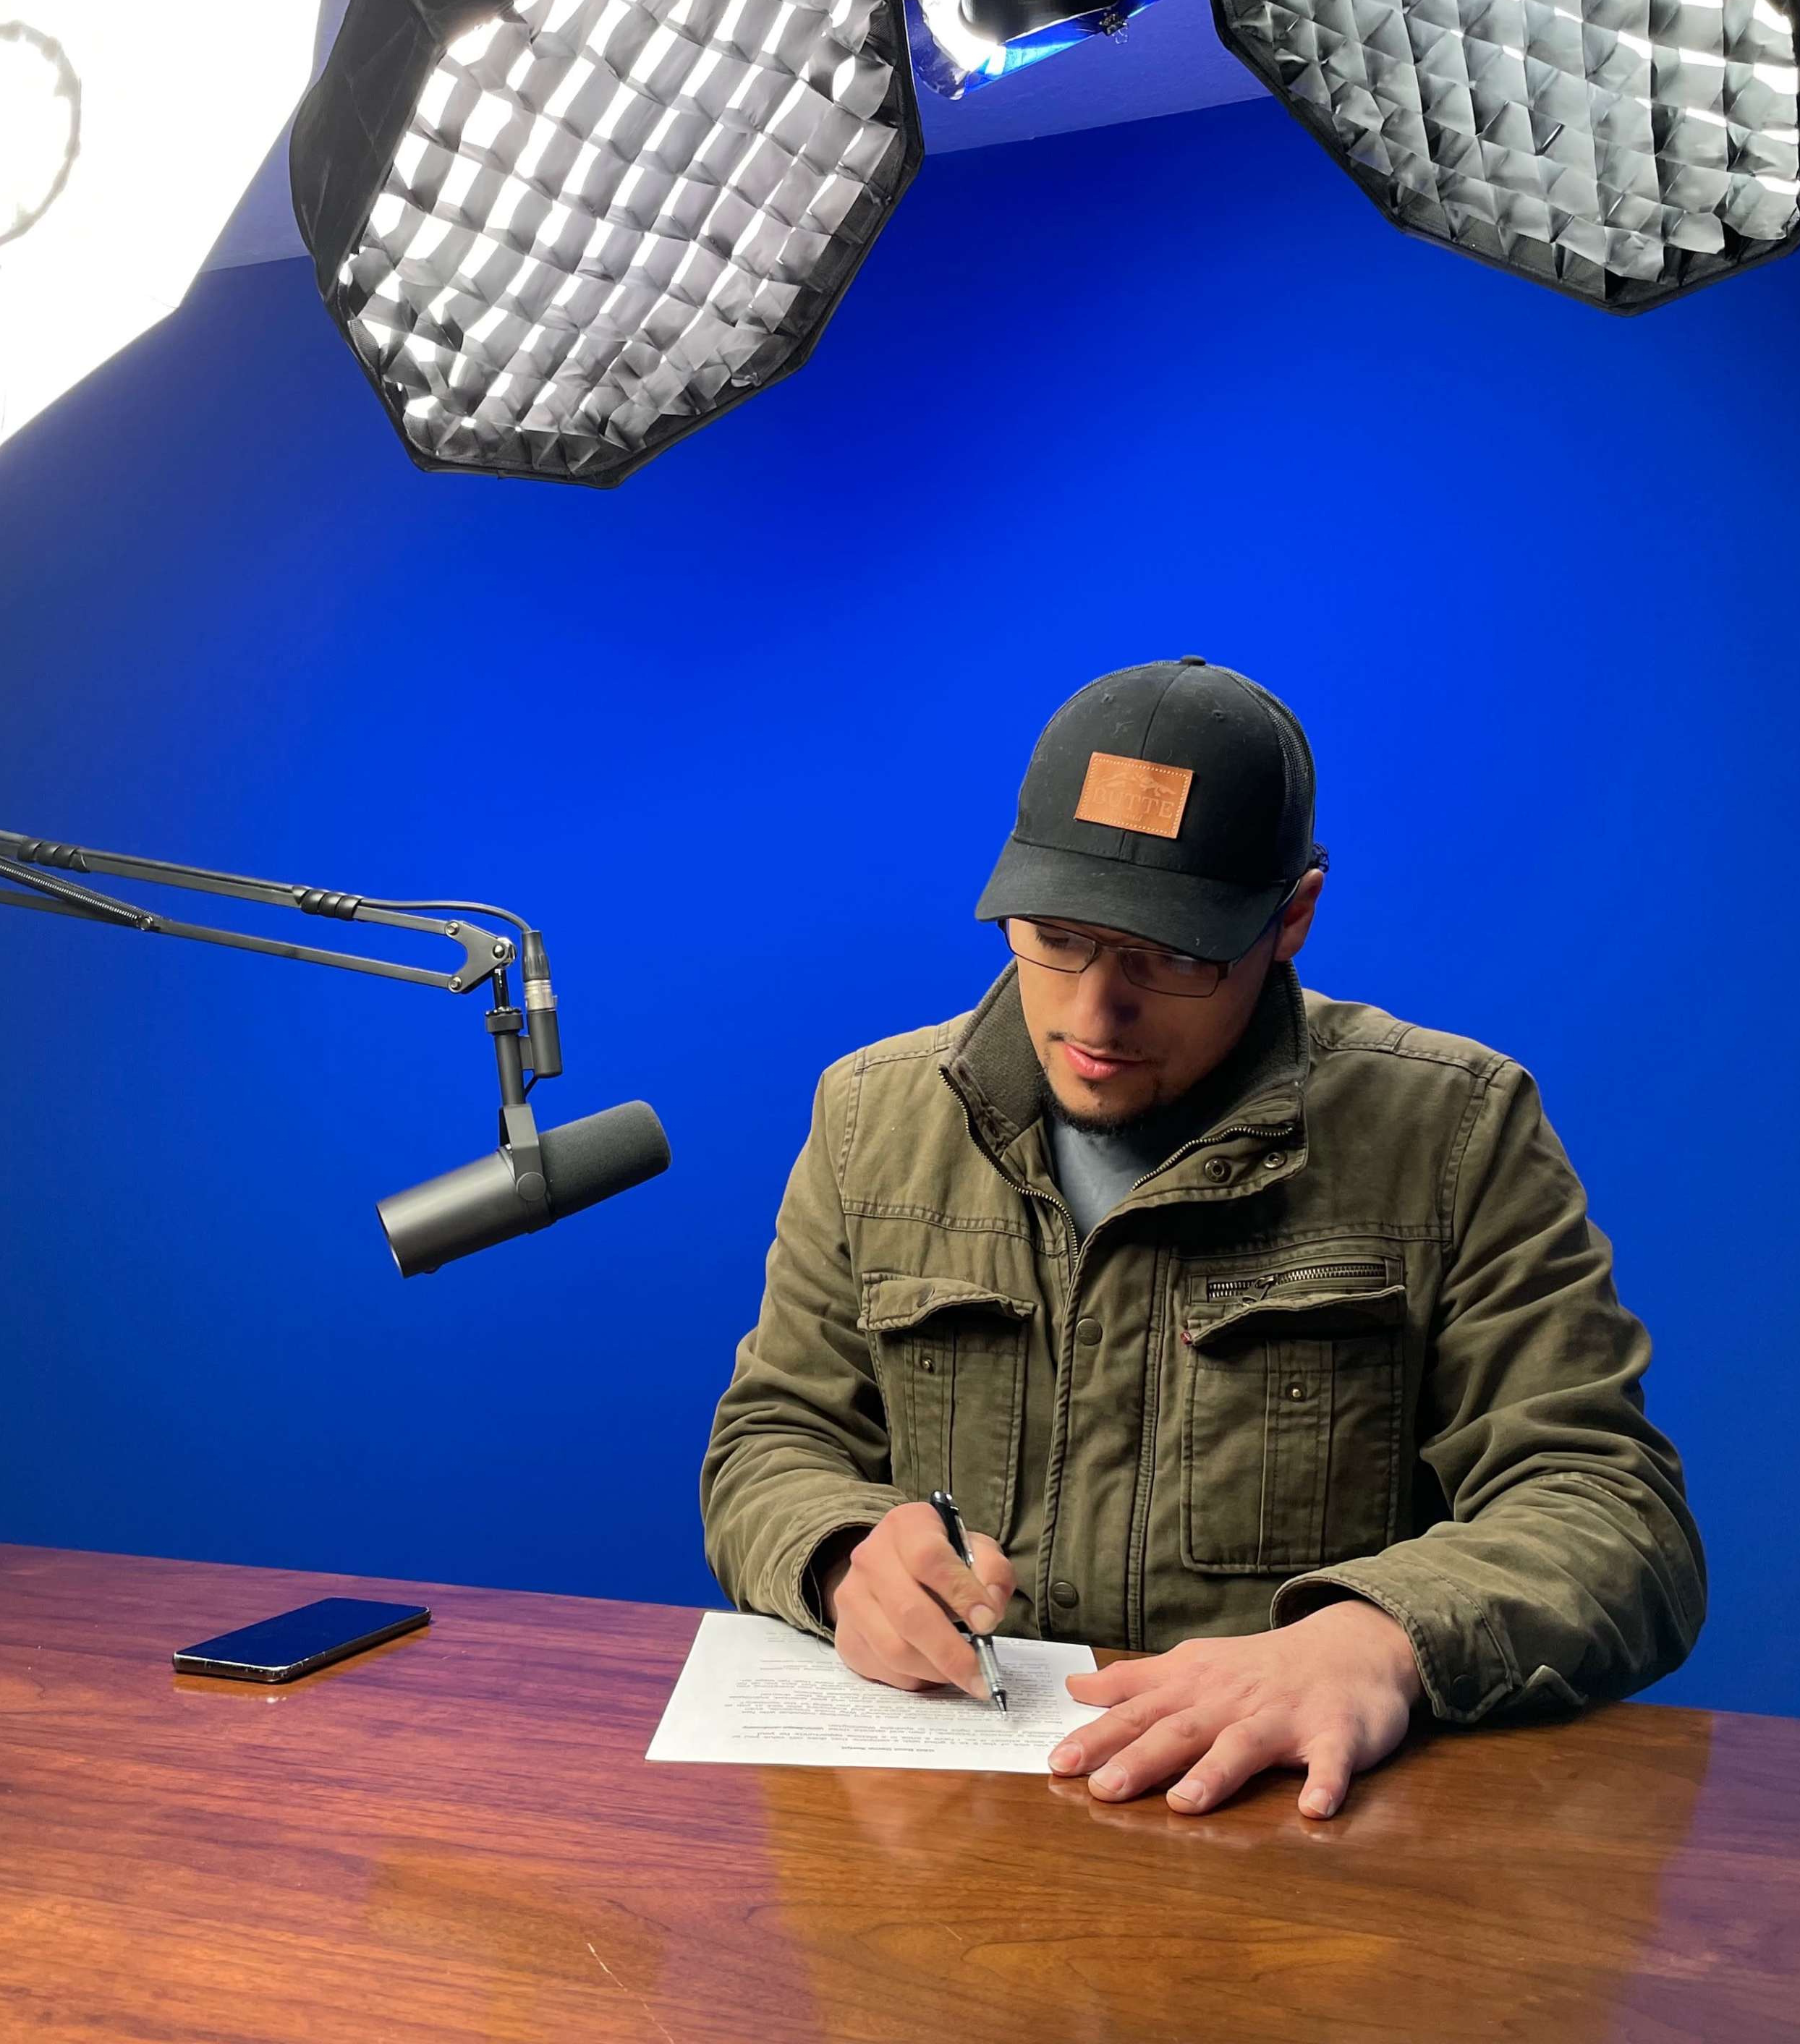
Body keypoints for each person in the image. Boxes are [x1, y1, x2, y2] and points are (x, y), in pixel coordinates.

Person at [700, 658, 1705, 1820]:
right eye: (1055, 936)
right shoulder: (872, 1116)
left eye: (1172, 956)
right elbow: (773, 1440)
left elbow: (1609, 1511)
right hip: (956, 1836)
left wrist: (1373, 1642)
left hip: (1288, 1848)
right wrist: (840, 1555)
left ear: (1293, 919)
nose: (1093, 1011)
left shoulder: (1455, 1132)